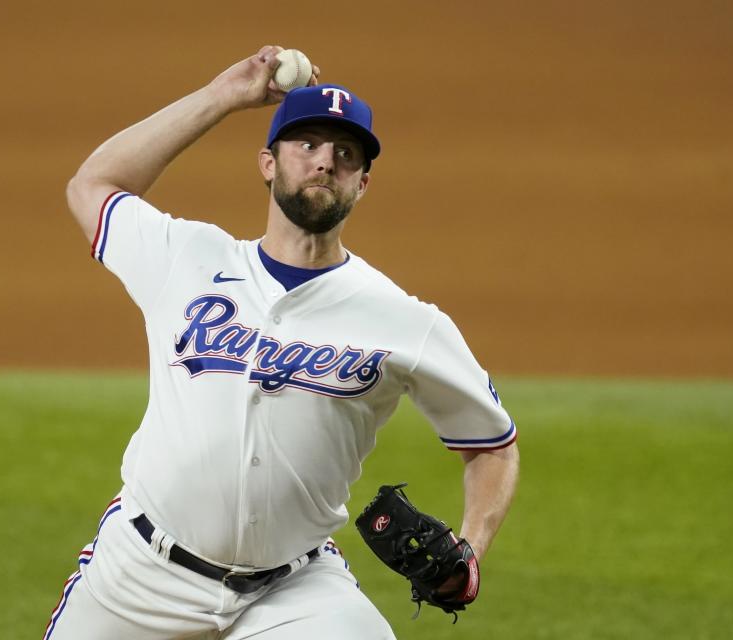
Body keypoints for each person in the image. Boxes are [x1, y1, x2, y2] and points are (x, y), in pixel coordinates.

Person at [44, 45, 519, 640]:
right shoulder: (186, 257)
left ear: (363, 182)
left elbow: (493, 446)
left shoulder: (405, 321)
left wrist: (469, 550)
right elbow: (93, 185)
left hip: (292, 591)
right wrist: (222, 96)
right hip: (140, 575)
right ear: (268, 163)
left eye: (346, 154)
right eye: (308, 145)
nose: (325, 162)